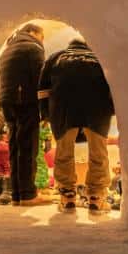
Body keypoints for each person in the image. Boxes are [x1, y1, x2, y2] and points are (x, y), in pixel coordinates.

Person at [39, 38, 115, 213]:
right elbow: (114, 87)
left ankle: (68, 198)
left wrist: (46, 114)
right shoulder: (100, 57)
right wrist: (111, 111)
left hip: (63, 110)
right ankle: (97, 199)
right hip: (97, 109)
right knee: (98, 153)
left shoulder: (56, 58)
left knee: (64, 153)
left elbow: (42, 90)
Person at [0, 23, 45, 206]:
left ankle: (16, 194)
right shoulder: (32, 47)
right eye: (42, 36)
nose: (42, 41)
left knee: (15, 147)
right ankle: (28, 195)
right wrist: (45, 107)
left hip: (7, 102)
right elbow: (41, 78)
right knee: (28, 147)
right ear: (33, 32)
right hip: (25, 100)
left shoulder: (6, 50)